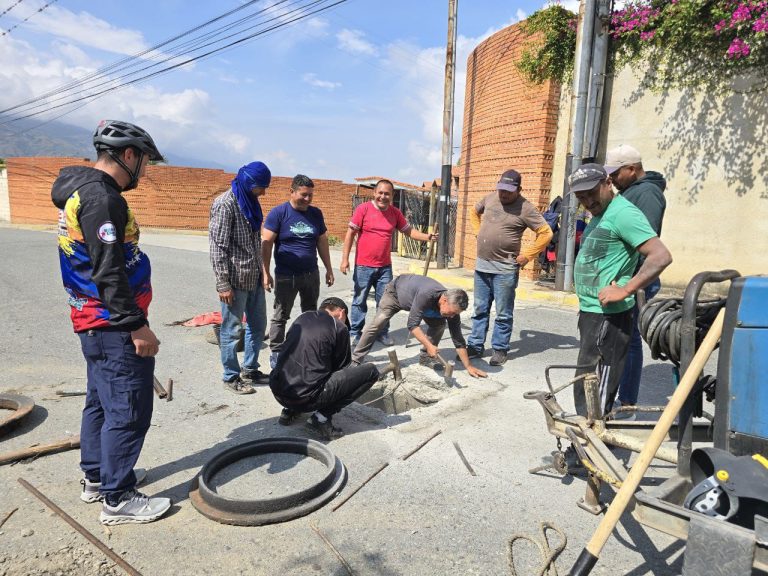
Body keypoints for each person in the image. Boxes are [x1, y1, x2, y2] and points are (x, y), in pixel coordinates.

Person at [51, 119, 171, 525]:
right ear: (130, 155)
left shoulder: (85, 192)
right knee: (129, 409)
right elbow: (109, 270)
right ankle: (117, 498)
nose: (146, 171)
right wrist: (136, 325)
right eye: (146, 162)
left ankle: (97, 477)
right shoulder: (103, 199)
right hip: (114, 325)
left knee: (101, 401)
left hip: (94, 322)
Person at [568, 163, 672, 420]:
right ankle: (588, 438)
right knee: (586, 381)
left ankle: (595, 444)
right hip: (593, 312)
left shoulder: (623, 213)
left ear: (607, 183)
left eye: (592, 192)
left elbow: (660, 256)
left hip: (609, 317)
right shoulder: (601, 214)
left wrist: (626, 289)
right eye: (581, 197)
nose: (588, 200)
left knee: (595, 385)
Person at [603, 145, 667, 418]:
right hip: (625, 279)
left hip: (635, 280)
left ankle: (627, 401)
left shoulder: (648, 193)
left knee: (628, 340)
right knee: (620, 339)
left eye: (616, 173)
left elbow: (645, 241)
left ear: (632, 169)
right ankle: (619, 395)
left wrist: (630, 283)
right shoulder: (631, 192)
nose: (612, 179)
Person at [468, 169, 553, 365]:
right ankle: (475, 345)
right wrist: (478, 232)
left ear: (518, 189)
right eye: (501, 189)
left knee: (503, 312)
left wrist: (528, 255)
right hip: (482, 266)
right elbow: (474, 211)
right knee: (480, 308)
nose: (503, 194)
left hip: (505, 269)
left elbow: (546, 233)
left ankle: (499, 349)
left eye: (508, 191)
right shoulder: (490, 198)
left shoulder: (526, 208)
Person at [340, 179, 437, 346]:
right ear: (374, 193)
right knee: (359, 301)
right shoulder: (363, 209)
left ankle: (382, 333)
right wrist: (344, 259)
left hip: (385, 268)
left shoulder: (394, 213)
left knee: (385, 303)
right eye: (380, 193)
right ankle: (355, 332)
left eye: (387, 194)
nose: (383, 196)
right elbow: (350, 234)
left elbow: (409, 231)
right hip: (363, 266)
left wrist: (427, 237)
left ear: (392, 195)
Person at [269, 297, 380, 440]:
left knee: (303, 363)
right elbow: (341, 370)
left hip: (278, 391)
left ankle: (290, 410)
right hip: (305, 398)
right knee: (371, 372)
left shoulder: (302, 318)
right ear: (341, 313)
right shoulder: (339, 327)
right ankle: (321, 418)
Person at [209, 161, 272, 395]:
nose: (263, 192)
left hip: (254, 276)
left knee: (258, 326)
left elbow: (256, 243)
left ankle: (250, 369)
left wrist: (264, 272)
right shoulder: (225, 204)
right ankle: (231, 376)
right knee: (231, 329)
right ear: (248, 182)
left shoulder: (251, 202)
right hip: (235, 281)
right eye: (260, 187)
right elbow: (217, 247)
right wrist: (223, 283)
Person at [351, 274, 487, 378]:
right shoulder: (427, 294)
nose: (452, 316)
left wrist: (468, 366)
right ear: (444, 300)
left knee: (440, 324)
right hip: (396, 294)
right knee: (378, 323)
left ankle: (425, 358)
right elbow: (412, 325)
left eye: (455, 314)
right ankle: (356, 360)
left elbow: (458, 339)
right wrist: (430, 345)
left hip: (421, 305)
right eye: (451, 312)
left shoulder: (452, 309)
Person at [262, 174, 335, 368]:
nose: (308, 199)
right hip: (286, 275)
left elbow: (322, 241)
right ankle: (277, 351)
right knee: (281, 314)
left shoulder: (316, 214)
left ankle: (307, 347)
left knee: (310, 314)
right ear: (292, 192)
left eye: (311, 195)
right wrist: (265, 272)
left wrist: (328, 268)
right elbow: (267, 243)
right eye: (304, 195)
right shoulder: (279, 213)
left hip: (310, 274)